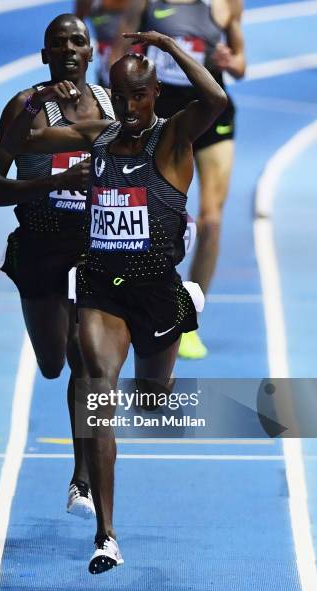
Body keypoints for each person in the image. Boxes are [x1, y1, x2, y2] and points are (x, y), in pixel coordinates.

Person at [1, 30, 227, 573]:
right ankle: (106, 535)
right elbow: (18, 140)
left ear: (154, 96)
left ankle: (187, 304)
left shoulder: (173, 138)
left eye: (137, 97)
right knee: (97, 393)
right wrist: (37, 95)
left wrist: (173, 52)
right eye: (119, 96)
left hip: (155, 289)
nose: (127, 107)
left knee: (151, 399)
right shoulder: (97, 136)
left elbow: (216, 101)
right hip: (101, 287)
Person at [0, 14, 115, 519]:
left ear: (90, 51)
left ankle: (82, 478)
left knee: (87, 356)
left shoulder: (109, 103)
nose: (68, 50)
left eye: (77, 41)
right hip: (39, 246)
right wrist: (54, 183)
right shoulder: (24, 108)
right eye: (57, 44)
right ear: (45, 55)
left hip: (92, 246)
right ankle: (82, 474)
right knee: (54, 363)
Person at [113, 0, 246, 358]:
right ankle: (131, 296)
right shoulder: (144, 2)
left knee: (212, 221)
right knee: (150, 214)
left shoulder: (225, 4)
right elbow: (121, 50)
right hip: (161, 117)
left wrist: (230, 63)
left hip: (210, 113)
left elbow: (240, 63)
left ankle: (189, 317)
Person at [75, 0, 129, 87]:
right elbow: (77, 22)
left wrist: (117, 50)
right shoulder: (84, 3)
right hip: (105, 53)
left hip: (129, 46)